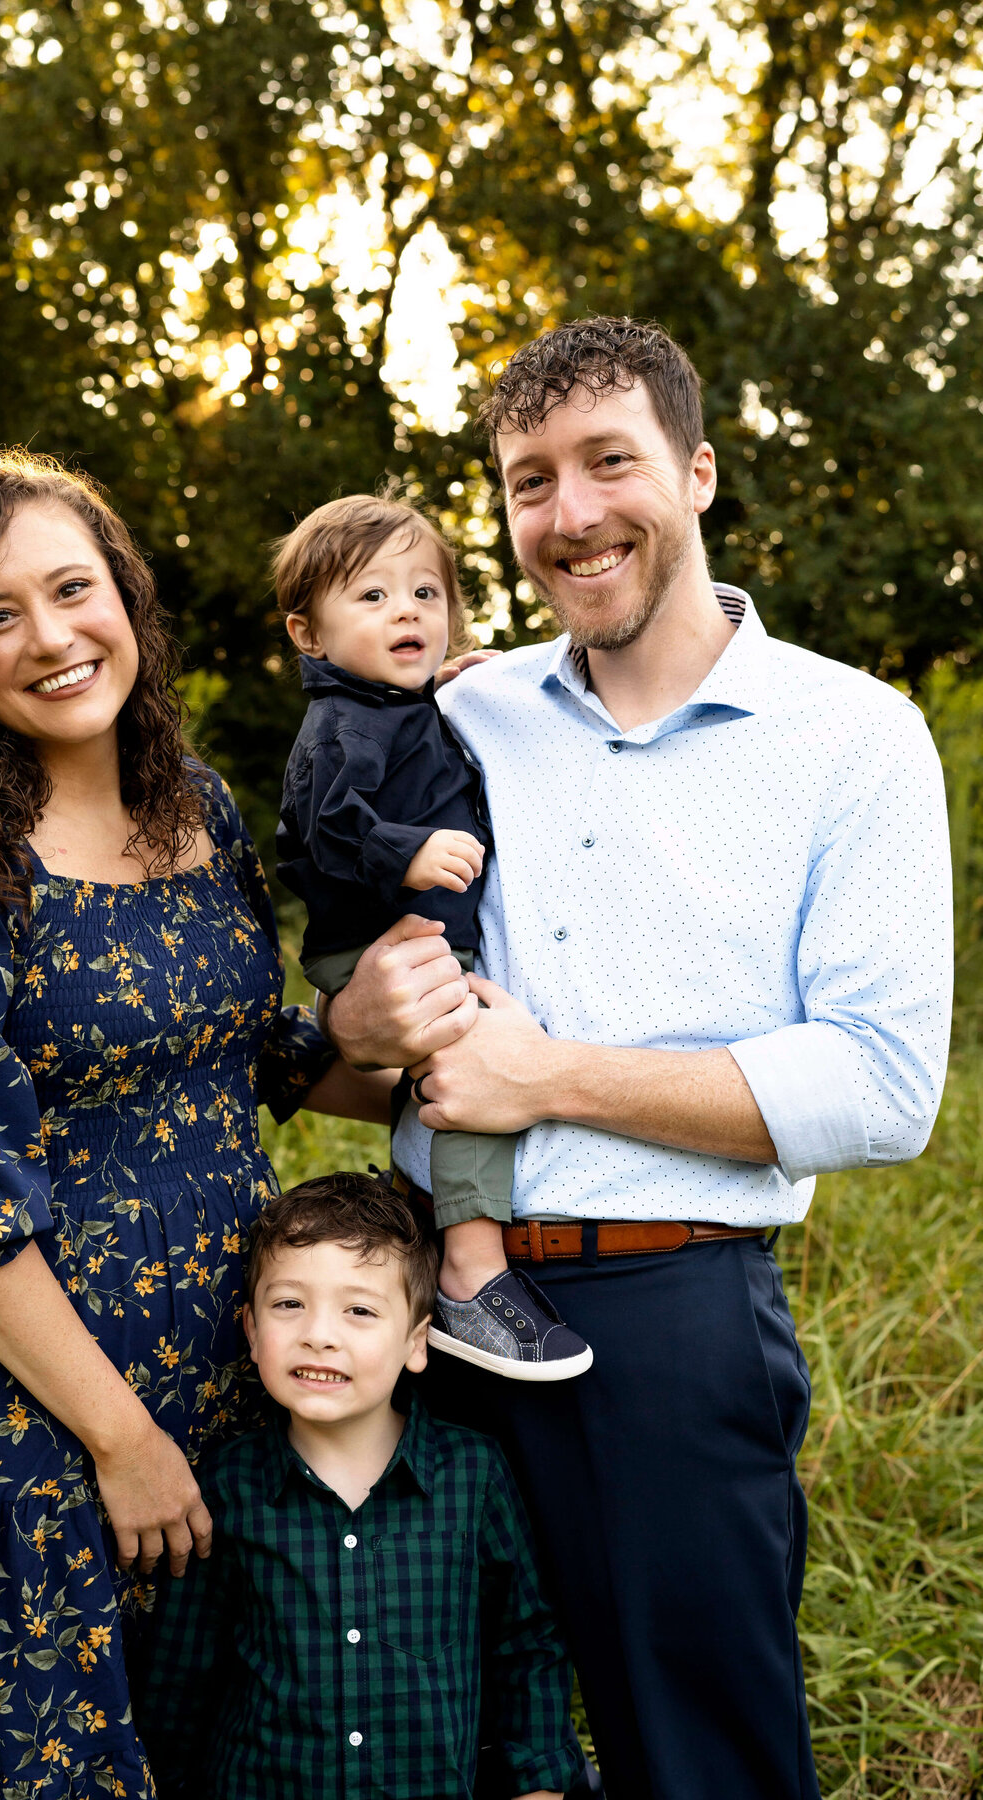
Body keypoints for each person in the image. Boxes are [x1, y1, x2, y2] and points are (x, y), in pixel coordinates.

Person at [323, 318, 954, 1800]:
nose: (572, 513)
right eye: (529, 480)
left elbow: (880, 1087)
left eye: (610, 462)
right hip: (421, 1312)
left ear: (699, 473)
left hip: (669, 1316)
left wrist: (553, 1078)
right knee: (437, 1748)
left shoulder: (853, 738)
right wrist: (350, 1039)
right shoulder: (456, 712)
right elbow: (362, 1055)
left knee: (701, 1753)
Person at [0, 450, 391, 1799]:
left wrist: (430, 1056)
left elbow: (256, 1060)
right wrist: (121, 1443)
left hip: (226, 1382)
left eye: (73, 589)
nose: (52, 637)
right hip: (36, 1429)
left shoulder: (194, 804)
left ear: (125, 595)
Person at [273, 492, 592, 1381]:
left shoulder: (394, 706)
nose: (407, 610)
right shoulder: (342, 725)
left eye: (424, 593)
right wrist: (408, 852)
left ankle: (433, 1229)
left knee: (469, 1054)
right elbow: (321, 828)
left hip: (415, 938)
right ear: (309, 635)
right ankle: (472, 1266)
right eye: (371, 598)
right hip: (380, 944)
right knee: (476, 1055)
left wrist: (445, 693)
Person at [138, 1173, 588, 1800]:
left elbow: (527, 1642)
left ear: (416, 1342)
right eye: (289, 1304)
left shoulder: (472, 1474)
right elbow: (180, 1677)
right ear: (250, 1329)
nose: (320, 1333)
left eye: (359, 1311)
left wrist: (538, 1783)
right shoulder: (226, 1485)